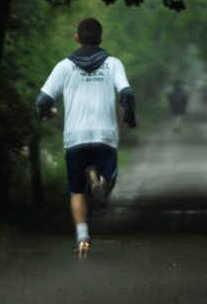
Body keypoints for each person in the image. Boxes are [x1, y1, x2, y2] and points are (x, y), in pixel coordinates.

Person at [36, 18, 136, 257]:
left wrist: (49, 112)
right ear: (101, 39)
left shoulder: (64, 67)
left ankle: (82, 237)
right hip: (105, 135)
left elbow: (42, 101)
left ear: (76, 38)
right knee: (109, 177)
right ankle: (100, 183)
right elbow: (127, 93)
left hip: (75, 137)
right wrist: (129, 117)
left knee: (76, 190)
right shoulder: (113, 64)